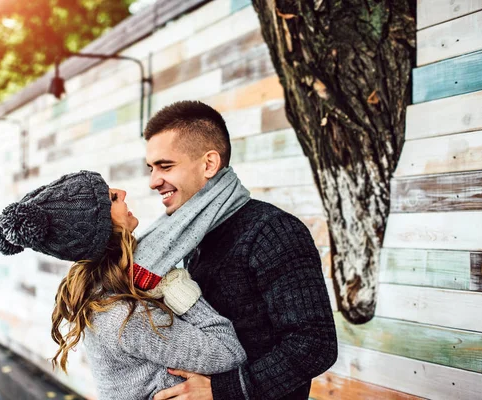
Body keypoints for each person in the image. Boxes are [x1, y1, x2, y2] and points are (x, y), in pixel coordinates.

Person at [0, 170, 247, 400]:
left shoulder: (104, 293)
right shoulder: (125, 316)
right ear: (100, 229)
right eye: (112, 198)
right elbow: (229, 353)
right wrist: (176, 286)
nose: (122, 192)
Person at [144, 101, 338, 400]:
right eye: (151, 168)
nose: (154, 181)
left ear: (209, 164)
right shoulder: (194, 236)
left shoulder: (272, 231)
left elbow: (314, 344)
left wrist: (221, 390)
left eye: (165, 166)